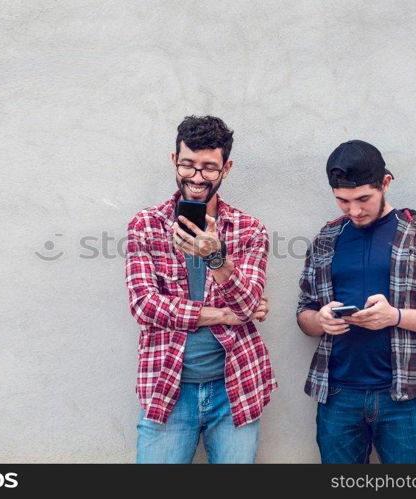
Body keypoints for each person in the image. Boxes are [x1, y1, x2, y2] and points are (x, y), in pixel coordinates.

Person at [296, 139, 416, 463]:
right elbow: (304, 310)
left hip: (404, 398)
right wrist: (321, 320)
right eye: (343, 201)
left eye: (363, 199)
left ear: (385, 183)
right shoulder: (325, 239)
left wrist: (395, 316)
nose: (354, 210)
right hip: (338, 395)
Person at [125, 115, 276, 463]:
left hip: (235, 386)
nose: (196, 177)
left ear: (226, 168)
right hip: (166, 385)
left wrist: (216, 257)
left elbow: (249, 303)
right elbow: (144, 306)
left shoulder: (249, 229)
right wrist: (224, 314)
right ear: (174, 161)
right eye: (188, 165)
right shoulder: (145, 225)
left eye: (209, 168)